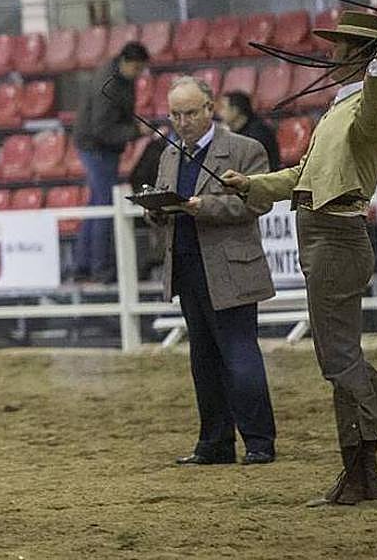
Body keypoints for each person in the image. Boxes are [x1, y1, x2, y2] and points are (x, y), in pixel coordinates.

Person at [222, 10, 377, 506]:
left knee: (338, 360)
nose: (330, 55)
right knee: (343, 357)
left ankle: (362, 471)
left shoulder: (372, 106)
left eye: (341, 47)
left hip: (336, 236)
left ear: (360, 54)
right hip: (322, 234)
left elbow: (376, 105)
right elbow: (303, 177)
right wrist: (253, 185)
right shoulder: (338, 109)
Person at [148, 76, 277, 466]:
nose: (182, 122)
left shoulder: (245, 149)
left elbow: (257, 204)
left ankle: (259, 441)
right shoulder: (170, 154)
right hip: (188, 268)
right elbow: (167, 203)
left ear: (210, 109)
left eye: (189, 113)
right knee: (202, 359)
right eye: (175, 114)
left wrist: (206, 207)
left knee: (239, 356)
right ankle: (215, 442)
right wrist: (155, 208)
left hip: (231, 269)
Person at [71, 40, 150, 282]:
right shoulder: (109, 84)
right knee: (106, 206)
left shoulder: (120, 78)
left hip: (98, 147)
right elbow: (101, 129)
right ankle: (100, 268)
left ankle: (83, 266)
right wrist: (135, 132)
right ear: (128, 62)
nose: (139, 75)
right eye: (137, 69)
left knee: (97, 206)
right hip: (97, 148)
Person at [219, 91, 281, 170]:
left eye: (223, 108)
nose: (220, 113)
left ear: (235, 111)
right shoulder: (238, 130)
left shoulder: (258, 133)